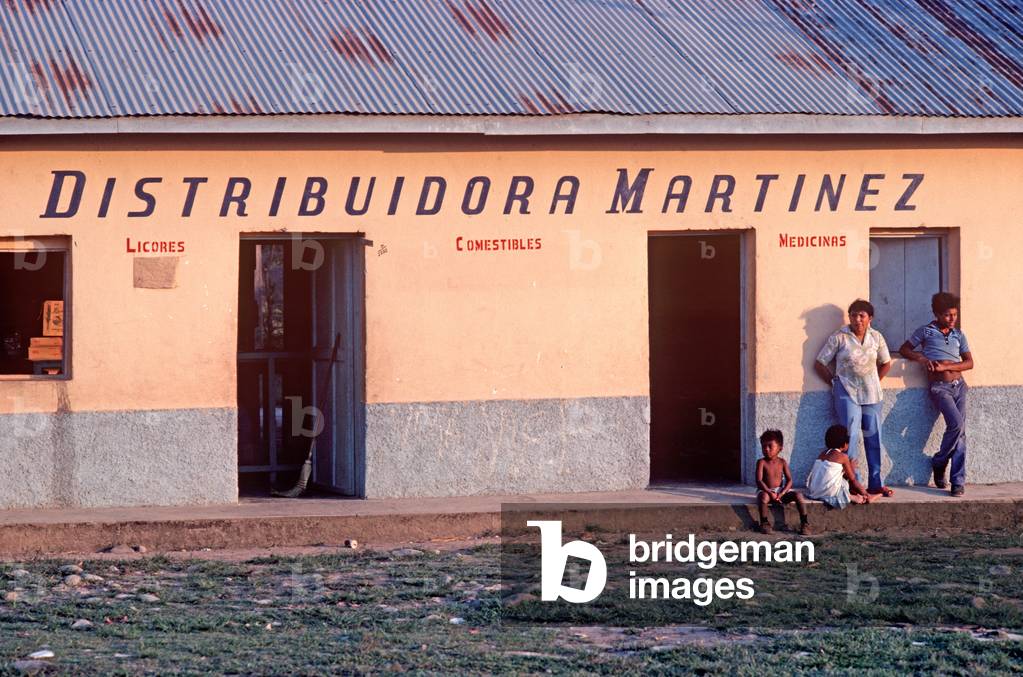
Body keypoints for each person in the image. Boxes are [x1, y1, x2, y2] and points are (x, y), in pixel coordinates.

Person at [814, 299, 894, 497]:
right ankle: (853, 482)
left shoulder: (876, 337)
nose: (857, 319)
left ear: (870, 318)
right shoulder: (840, 337)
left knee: (874, 437)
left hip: (872, 394)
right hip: (847, 393)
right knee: (849, 438)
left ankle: (876, 483)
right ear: (849, 317)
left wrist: (874, 380)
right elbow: (820, 362)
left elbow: (886, 363)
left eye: (862, 316)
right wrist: (834, 383)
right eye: (853, 315)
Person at [899, 292, 974, 497]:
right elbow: (904, 349)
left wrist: (949, 365)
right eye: (948, 315)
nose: (952, 319)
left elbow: (970, 363)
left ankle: (957, 481)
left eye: (955, 315)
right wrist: (922, 359)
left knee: (961, 434)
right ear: (937, 314)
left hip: (959, 386)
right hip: (939, 388)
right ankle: (939, 462)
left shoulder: (959, 334)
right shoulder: (926, 331)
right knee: (956, 426)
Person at [806, 424, 877, 508]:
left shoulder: (822, 454)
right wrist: (852, 467)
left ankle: (854, 496)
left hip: (814, 491)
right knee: (845, 482)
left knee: (839, 478)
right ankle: (864, 496)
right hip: (829, 492)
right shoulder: (843, 457)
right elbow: (852, 478)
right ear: (844, 444)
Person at [754, 429, 810, 535]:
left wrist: (782, 493)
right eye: (763, 446)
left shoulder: (782, 462)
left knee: (798, 495)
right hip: (766, 491)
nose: (766, 449)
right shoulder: (761, 462)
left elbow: (789, 480)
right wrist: (770, 493)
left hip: (780, 492)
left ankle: (805, 523)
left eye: (770, 446)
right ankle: (764, 523)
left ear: (780, 448)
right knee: (763, 497)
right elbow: (759, 480)